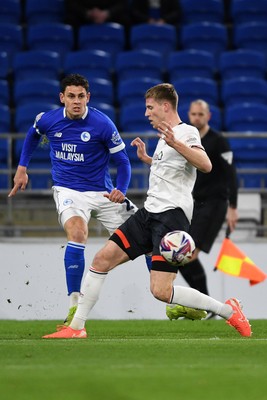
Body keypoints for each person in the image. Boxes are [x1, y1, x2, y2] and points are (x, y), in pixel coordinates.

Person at [42, 83, 251, 339]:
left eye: (150, 108)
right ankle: (76, 328)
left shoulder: (186, 133)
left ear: (165, 106)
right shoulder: (166, 137)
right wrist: (149, 159)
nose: (146, 113)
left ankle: (229, 311)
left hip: (171, 217)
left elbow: (205, 165)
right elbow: (172, 169)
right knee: (101, 260)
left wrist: (176, 143)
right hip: (148, 213)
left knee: (161, 291)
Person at [8, 73, 142, 327]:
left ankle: (167, 293)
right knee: (78, 233)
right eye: (71, 96)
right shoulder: (48, 120)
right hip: (68, 191)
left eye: (81, 96)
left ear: (88, 97)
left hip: (102, 193)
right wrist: (22, 167)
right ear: (62, 98)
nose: (77, 101)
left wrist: (121, 189)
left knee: (145, 236)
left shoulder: (103, 124)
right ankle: (73, 306)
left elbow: (123, 162)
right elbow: (32, 135)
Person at [166, 99, 239, 321]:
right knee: (181, 258)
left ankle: (206, 306)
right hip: (193, 204)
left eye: (201, 114)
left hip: (215, 204)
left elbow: (231, 175)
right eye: (193, 114)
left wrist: (233, 208)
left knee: (186, 254)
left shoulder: (219, 142)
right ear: (188, 114)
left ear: (208, 116)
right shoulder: (187, 139)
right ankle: (206, 305)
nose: (196, 118)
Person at [64, 0, 129, 27]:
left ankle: (126, 51)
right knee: (70, 20)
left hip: (110, 15)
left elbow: (122, 3)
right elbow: (70, 3)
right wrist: (88, 13)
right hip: (84, 16)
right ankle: (75, 51)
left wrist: (106, 13)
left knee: (126, 19)